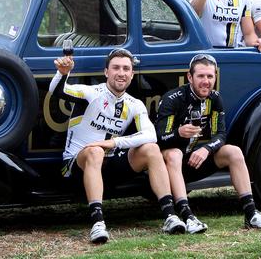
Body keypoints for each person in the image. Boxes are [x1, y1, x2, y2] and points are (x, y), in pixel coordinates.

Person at [50, 48, 186, 244]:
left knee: (151, 149)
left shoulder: (135, 104)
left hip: (111, 162)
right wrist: (63, 73)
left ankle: (170, 216)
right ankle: (98, 223)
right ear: (106, 72)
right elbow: (59, 90)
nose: (121, 73)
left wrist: (113, 142)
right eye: (115, 68)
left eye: (126, 68)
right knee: (95, 151)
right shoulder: (91, 93)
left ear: (132, 74)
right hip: (76, 165)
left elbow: (150, 135)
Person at [155, 54, 261, 232]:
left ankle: (252, 214)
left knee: (233, 152)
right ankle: (187, 216)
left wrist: (205, 149)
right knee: (174, 153)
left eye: (210, 76)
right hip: (167, 166)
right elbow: (159, 138)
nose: (206, 81)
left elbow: (220, 135)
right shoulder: (173, 99)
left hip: (194, 160)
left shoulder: (214, 99)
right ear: (190, 77)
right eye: (201, 76)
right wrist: (178, 133)